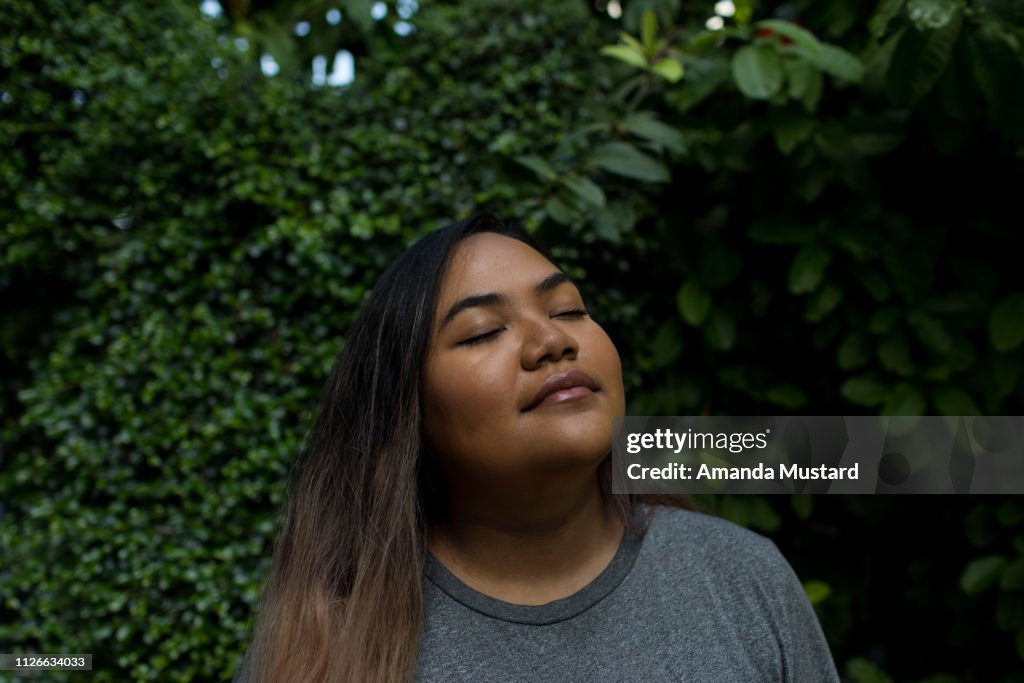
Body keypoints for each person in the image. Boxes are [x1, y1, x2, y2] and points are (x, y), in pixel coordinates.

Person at [235, 214, 839, 682]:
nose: (551, 340)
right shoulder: (324, 644)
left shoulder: (743, 578)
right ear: (408, 412)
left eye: (569, 309)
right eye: (483, 332)